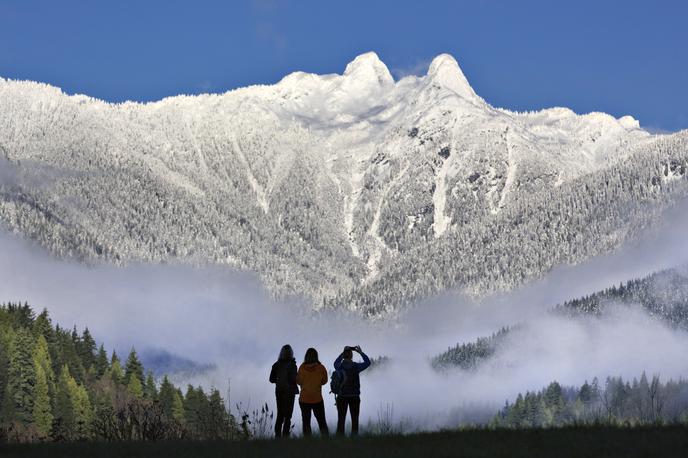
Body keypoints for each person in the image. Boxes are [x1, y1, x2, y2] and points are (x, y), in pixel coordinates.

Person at [333, 345, 370, 436]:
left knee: (341, 420)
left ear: (344, 355)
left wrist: (343, 352)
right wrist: (360, 352)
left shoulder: (339, 366)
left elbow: (335, 362)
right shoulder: (356, 366)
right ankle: (354, 439)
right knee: (355, 420)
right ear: (351, 355)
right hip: (354, 396)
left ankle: (340, 439)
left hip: (342, 396)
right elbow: (368, 362)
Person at [296, 347, 329, 437]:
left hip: (304, 399)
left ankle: (307, 443)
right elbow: (325, 381)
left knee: (306, 422)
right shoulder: (321, 368)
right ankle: (327, 441)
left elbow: (298, 381)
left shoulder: (302, 368)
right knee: (322, 421)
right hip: (317, 399)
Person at [269, 344, 299, 437]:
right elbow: (295, 379)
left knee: (280, 415)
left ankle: (277, 437)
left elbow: (271, 379)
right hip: (290, 392)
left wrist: (279, 382)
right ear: (291, 353)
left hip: (279, 391)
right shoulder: (293, 365)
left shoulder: (276, 365)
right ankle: (285, 437)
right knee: (288, 416)